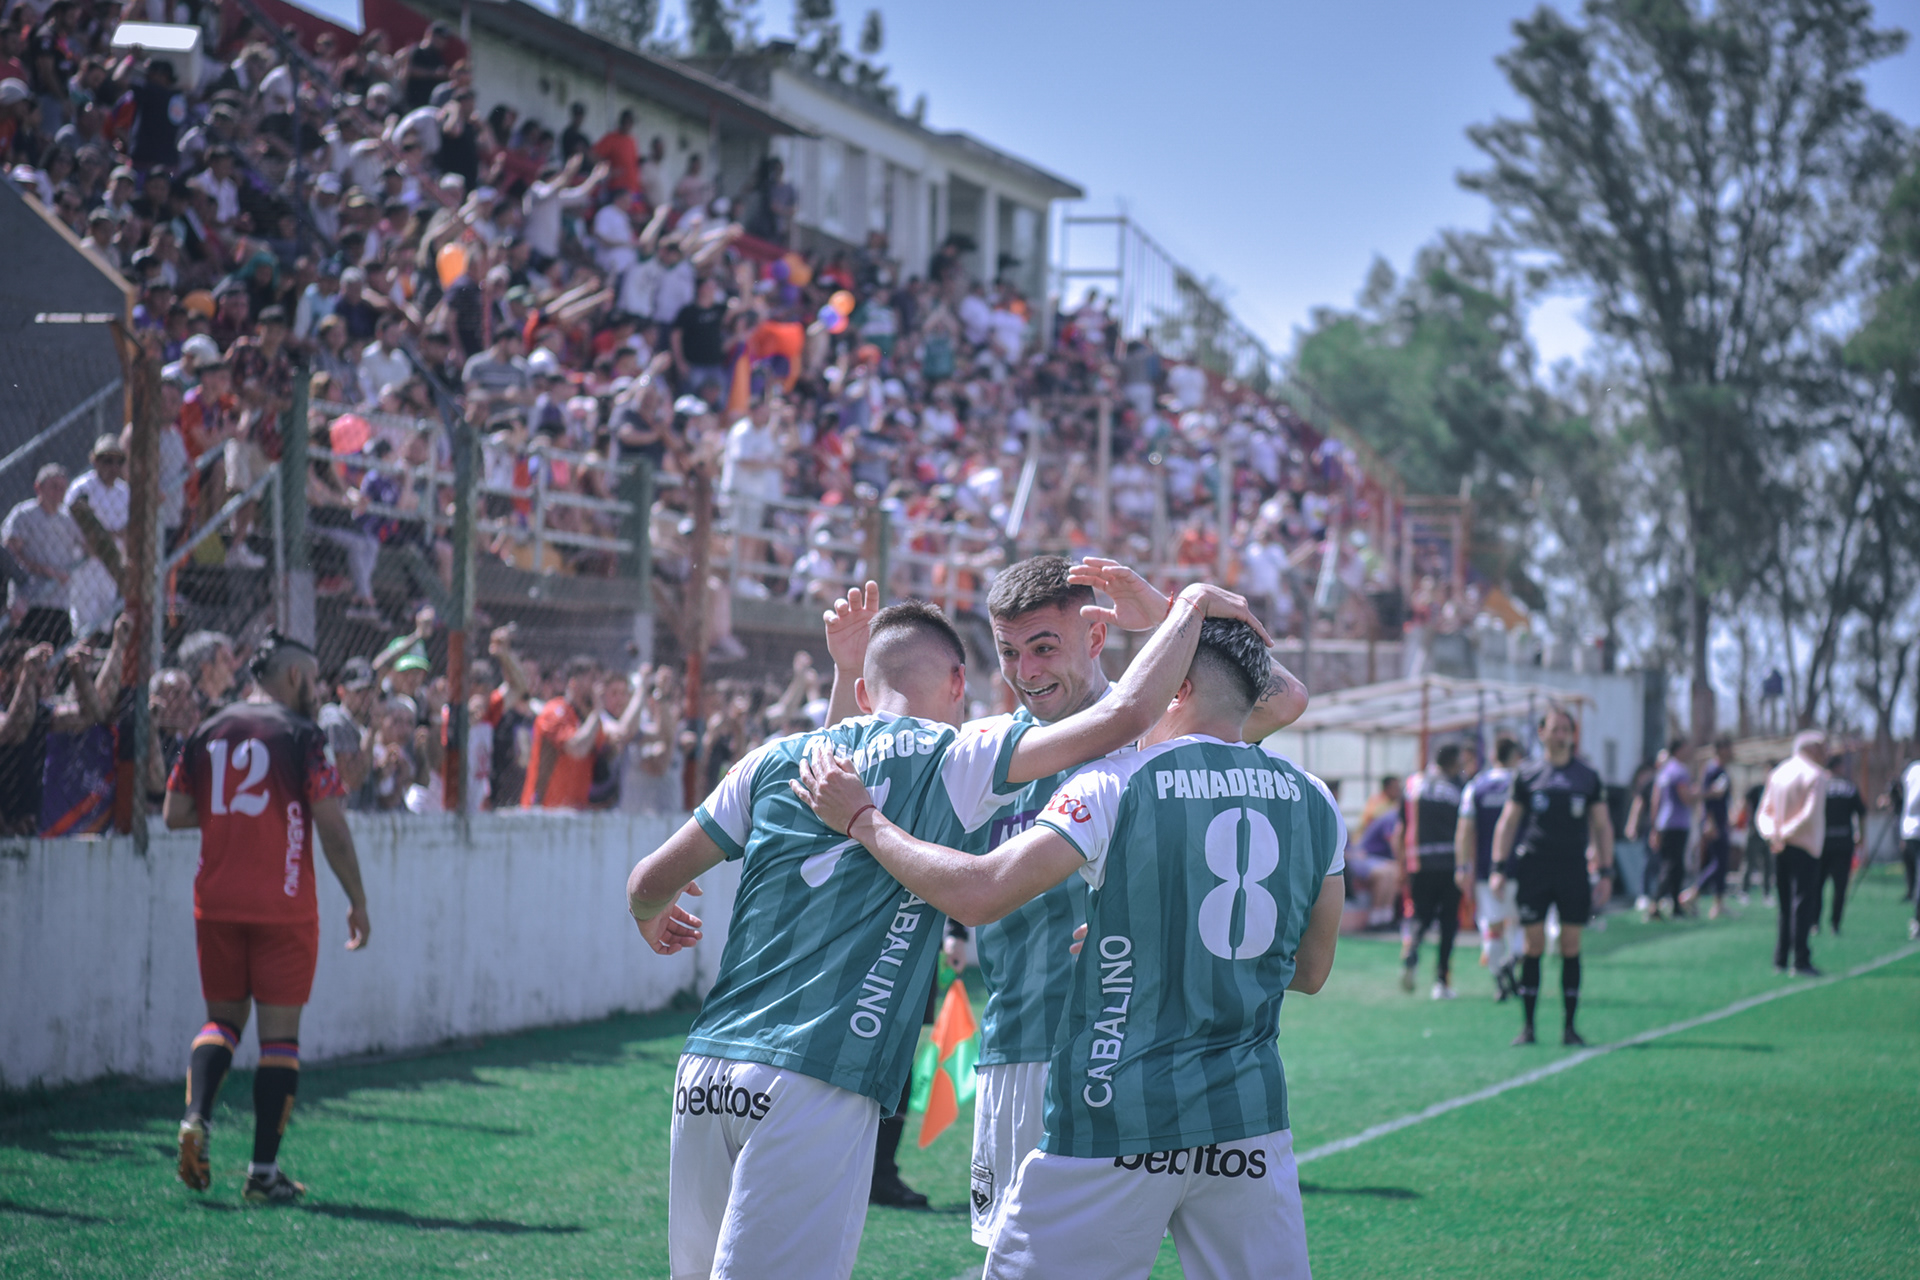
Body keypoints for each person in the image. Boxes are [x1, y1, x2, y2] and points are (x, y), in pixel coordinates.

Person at [623, 584, 1260, 1280]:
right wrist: (1186, 608)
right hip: (816, 1073)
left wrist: (651, 915)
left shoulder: (773, 760)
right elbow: (1126, 714)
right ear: (960, 682)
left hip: (705, 1070)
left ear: (862, 692)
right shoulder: (957, 754)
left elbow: (647, 880)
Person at [791, 617, 1345, 1280]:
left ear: (1176, 689)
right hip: (1248, 1121)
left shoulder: (1116, 781)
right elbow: (1310, 971)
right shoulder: (1316, 798)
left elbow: (979, 894)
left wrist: (864, 822)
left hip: (1117, 1113)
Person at [164, 633, 371, 1204]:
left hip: (216, 901)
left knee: (221, 1023)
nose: (318, 689)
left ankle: (195, 1118)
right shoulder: (302, 735)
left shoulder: (207, 729)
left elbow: (175, 812)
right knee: (280, 1038)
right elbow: (332, 827)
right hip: (283, 906)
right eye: (314, 678)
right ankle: (262, 1174)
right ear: (294, 677)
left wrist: (232, 818)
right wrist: (357, 899)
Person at [1491, 705, 1615, 1047]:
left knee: (1570, 945)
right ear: (1541, 733)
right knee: (1534, 945)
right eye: (1555, 729)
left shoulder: (1587, 776)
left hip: (1573, 869)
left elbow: (1602, 825)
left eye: (1566, 730)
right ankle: (1528, 1027)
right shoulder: (1527, 774)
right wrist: (1498, 867)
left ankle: (1569, 1028)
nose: (1561, 736)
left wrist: (1606, 871)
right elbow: (1508, 822)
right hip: (1535, 869)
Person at [1755, 733, 1830, 976]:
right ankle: (1800, 959)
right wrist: (1785, 833)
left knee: (1785, 905)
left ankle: (1780, 958)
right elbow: (1809, 814)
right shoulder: (1816, 775)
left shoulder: (1778, 773)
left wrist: (1773, 834)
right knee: (1802, 903)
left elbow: (1763, 813)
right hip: (1804, 846)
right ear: (1812, 748)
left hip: (1779, 846)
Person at [1401, 743, 1467, 999]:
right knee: (1448, 923)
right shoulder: (1458, 788)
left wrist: (1401, 863)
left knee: (1421, 915)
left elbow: (1400, 827)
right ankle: (1441, 981)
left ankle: (1412, 950)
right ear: (1452, 762)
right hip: (1450, 863)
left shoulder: (1413, 785)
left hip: (1419, 862)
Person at [1459, 736, 1521, 998]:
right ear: (1516, 755)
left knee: (1493, 926)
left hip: (1486, 869)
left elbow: (1465, 829)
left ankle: (1498, 978)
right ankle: (1512, 961)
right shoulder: (1523, 782)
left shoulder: (1476, 787)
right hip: (1521, 866)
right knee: (1522, 923)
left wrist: (1462, 866)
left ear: (1493, 755)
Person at [4, 463, 88, 646]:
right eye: (53, 487)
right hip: (29, 600)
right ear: (38, 488)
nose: (58, 493)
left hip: (60, 603)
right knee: (24, 652)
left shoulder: (68, 519)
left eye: (62, 488)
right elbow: (11, 553)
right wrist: (46, 570)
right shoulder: (24, 514)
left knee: (60, 654)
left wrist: (88, 515)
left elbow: (89, 548)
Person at [522, 655, 604, 808]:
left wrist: (642, 691)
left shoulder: (589, 719)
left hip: (575, 811)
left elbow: (620, 736)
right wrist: (597, 711)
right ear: (573, 683)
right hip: (543, 810)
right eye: (592, 679)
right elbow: (577, 748)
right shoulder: (555, 711)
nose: (598, 688)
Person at [1682, 736, 1735, 918]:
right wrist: (1709, 821)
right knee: (1717, 862)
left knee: (1721, 862)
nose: (1732, 752)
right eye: (1728, 748)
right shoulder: (1712, 770)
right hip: (1714, 823)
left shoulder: (1722, 770)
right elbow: (1706, 798)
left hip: (1721, 821)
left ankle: (1718, 904)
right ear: (1720, 749)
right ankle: (1692, 894)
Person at [1647, 738, 1694, 920]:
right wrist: (1706, 793)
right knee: (1672, 866)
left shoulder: (1664, 771)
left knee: (1674, 866)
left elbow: (1655, 801)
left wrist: (1654, 828)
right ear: (1679, 750)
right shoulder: (1680, 771)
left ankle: (1675, 907)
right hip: (1677, 824)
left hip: (1664, 824)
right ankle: (1655, 903)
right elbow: (1686, 798)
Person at [1819, 755, 1864, 936]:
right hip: (1844, 843)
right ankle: (1835, 924)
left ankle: (1814, 922)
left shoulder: (1819, 786)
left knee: (1816, 885)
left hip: (1821, 843)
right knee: (1840, 886)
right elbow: (1862, 812)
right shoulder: (1849, 787)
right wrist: (1861, 836)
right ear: (1838, 766)